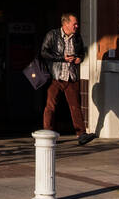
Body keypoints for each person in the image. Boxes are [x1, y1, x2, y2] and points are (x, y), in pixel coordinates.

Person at [40, 13, 96, 145]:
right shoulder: (52, 35)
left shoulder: (77, 37)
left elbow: (81, 52)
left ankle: (81, 135)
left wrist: (79, 59)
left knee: (75, 106)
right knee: (50, 106)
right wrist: (62, 58)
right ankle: (48, 134)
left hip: (71, 76)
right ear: (65, 24)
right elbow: (44, 52)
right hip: (56, 76)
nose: (77, 26)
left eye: (77, 24)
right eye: (74, 24)